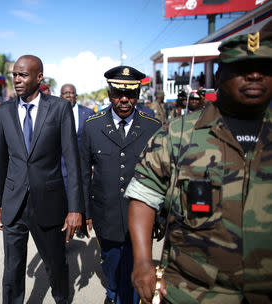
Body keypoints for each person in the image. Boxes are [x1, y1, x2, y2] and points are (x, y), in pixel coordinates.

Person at [125, 29, 272, 303]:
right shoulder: (177, 135)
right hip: (193, 291)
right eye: (242, 67)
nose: (255, 75)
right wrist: (143, 261)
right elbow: (143, 195)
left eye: (265, 67)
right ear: (218, 75)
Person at [0, 55, 85, 304]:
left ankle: (62, 298)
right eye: (14, 75)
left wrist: (75, 208)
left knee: (55, 263)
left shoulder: (59, 108)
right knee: (12, 268)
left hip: (49, 202)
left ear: (39, 77)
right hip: (14, 203)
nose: (17, 80)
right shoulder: (3, 113)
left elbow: (72, 161)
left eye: (23, 75)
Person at [80, 66, 161, 304]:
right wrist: (84, 211)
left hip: (142, 213)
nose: (124, 99)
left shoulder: (152, 127)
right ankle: (114, 291)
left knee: (136, 264)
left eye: (131, 94)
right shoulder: (92, 126)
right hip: (106, 213)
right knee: (112, 261)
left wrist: (162, 215)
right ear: (109, 93)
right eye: (117, 93)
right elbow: (84, 173)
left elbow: (161, 175)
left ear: (137, 94)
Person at [59, 83, 93, 192]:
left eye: (71, 93)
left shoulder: (88, 113)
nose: (68, 96)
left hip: (83, 168)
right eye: (65, 93)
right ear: (61, 96)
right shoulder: (54, 113)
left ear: (76, 96)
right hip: (61, 169)